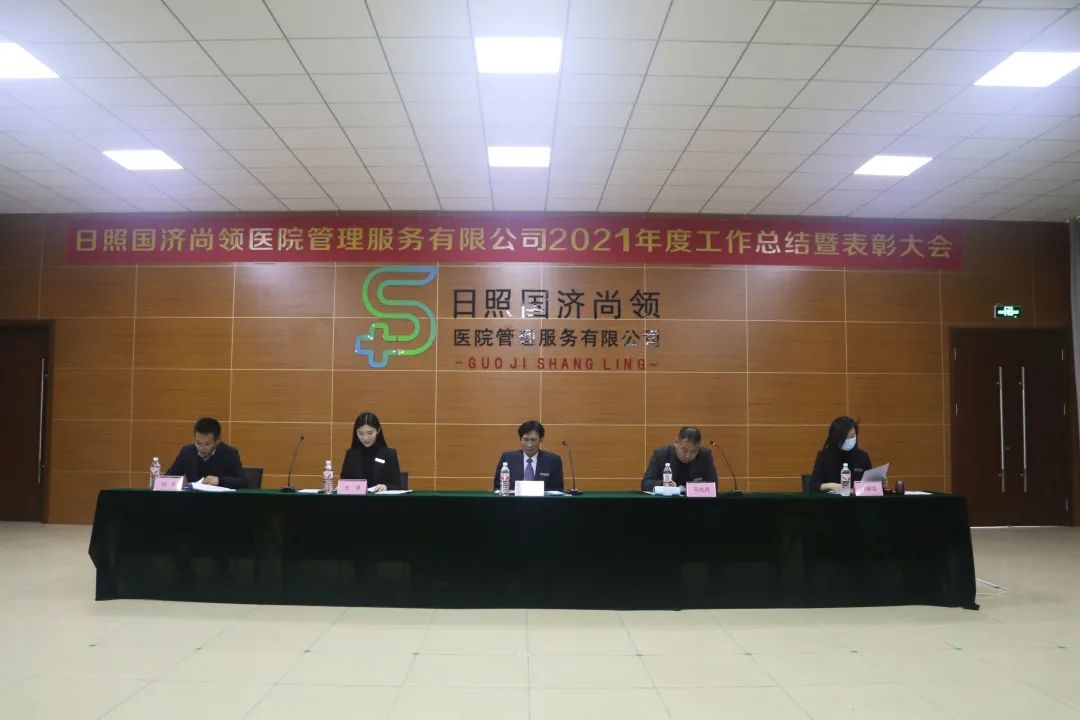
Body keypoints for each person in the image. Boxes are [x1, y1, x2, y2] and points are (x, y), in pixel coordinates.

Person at [166, 417, 247, 488]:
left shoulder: (229, 453)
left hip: (220, 499)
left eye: (207, 444)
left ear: (217, 441)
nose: (201, 448)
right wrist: (179, 483)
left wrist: (219, 480)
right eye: (198, 443)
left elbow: (243, 482)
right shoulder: (187, 452)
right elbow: (168, 477)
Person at [492, 420, 564, 492]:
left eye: (533, 440)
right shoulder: (508, 458)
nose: (529, 444)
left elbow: (558, 490)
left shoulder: (553, 460)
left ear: (541, 440)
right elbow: (498, 488)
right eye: (526, 439)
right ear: (520, 439)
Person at [642, 426, 719, 492]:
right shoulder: (661, 454)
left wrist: (689, 488)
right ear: (676, 442)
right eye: (684, 450)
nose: (688, 456)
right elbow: (646, 484)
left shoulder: (705, 455)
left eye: (694, 451)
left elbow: (714, 486)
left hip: (695, 502)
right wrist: (663, 484)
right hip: (667, 502)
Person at [341, 411, 402, 492]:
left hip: (380, 499)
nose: (365, 438)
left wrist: (386, 486)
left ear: (378, 430)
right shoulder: (351, 454)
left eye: (370, 433)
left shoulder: (389, 454)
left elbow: (397, 485)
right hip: (356, 499)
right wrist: (342, 487)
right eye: (360, 433)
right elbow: (344, 482)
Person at [810, 416, 873, 493]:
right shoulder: (824, 457)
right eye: (845, 437)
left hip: (857, 499)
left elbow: (872, 485)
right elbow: (813, 486)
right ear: (836, 439)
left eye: (852, 436)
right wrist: (831, 486)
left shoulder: (862, 457)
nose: (850, 440)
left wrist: (880, 484)